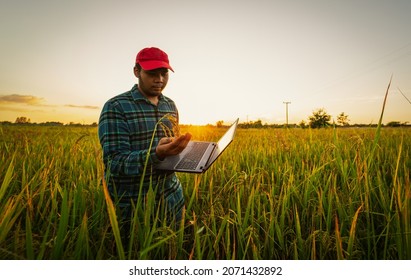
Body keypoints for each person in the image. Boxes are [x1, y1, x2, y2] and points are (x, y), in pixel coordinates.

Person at [98, 47, 191, 236]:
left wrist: (186, 154)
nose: (160, 80)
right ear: (136, 71)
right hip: (132, 203)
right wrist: (156, 154)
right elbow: (114, 162)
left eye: (164, 73)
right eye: (152, 73)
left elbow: (171, 149)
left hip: (171, 196)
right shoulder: (116, 106)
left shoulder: (170, 105)